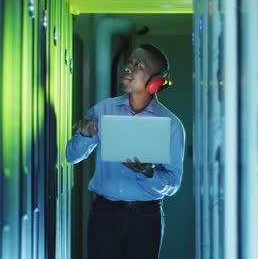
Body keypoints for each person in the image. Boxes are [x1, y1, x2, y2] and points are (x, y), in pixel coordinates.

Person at [66, 44, 185, 259]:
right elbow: (72, 157)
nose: (128, 68)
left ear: (155, 82)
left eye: (137, 65)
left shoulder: (171, 125)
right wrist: (84, 135)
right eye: (129, 62)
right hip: (103, 215)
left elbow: (173, 183)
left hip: (145, 219)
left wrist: (150, 174)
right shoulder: (103, 109)